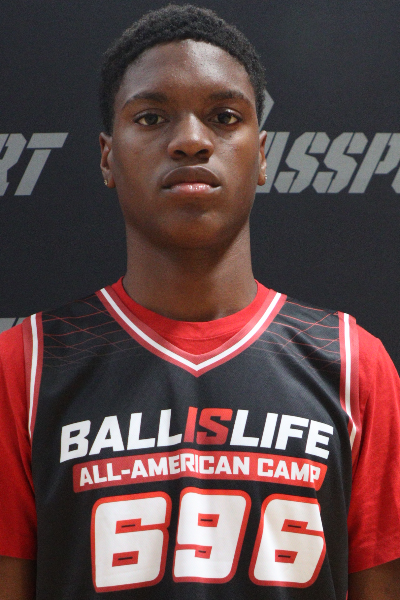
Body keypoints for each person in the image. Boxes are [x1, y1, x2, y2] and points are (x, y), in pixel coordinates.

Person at [0, 5, 399, 599]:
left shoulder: (351, 364)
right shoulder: (26, 366)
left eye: (224, 117)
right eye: (152, 117)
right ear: (108, 157)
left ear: (261, 154)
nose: (190, 140)